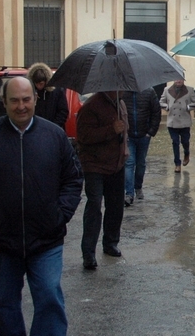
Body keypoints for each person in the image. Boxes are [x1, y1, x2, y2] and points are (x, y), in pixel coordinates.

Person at [0, 77, 84, 335]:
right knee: (6, 304)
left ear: (34, 99)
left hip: (46, 240)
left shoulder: (53, 135)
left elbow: (73, 178)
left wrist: (60, 214)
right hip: (3, 242)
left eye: (26, 99)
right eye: (15, 100)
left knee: (49, 298)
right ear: (5, 102)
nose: (21, 106)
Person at [77, 90, 129, 269]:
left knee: (116, 206)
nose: (123, 89)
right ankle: (88, 253)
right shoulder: (91, 106)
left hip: (117, 164)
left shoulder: (120, 103)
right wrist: (110, 130)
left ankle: (110, 243)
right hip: (95, 166)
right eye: (120, 85)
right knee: (94, 207)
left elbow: (124, 128)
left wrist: (125, 147)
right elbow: (83, 136)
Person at [122, 88, 161, 206]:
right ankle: (129, 193)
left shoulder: (149, 92)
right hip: (128, 135)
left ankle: (138, 186)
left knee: (140, 163)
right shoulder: (123, 93)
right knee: (129, 163)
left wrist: (151, 132)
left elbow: (156, 112)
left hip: (144, 135)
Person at [160, 79, 195, 173]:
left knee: (185, 141)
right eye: (176, 79)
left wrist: (188, 107)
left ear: (183, 80)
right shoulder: (167, 90)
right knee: (175, 142)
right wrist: (166, 106)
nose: (178, 81)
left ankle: (187, 153)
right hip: (172, 122)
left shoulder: (189, 90)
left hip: (184, 121)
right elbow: (161, 102)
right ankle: (177, 164)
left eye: (180, 79)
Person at [27, 62, 69, 130]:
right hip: (34, 129)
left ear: (46, 81)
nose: (39, 86)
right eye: (36, 84)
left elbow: (63, 111)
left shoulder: (56, 91)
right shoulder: (29, 92)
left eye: (41, 84)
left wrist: (54, 127)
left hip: (53, 128)